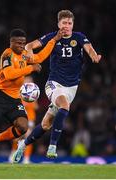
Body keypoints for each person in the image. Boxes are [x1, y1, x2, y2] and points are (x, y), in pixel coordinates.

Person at [0, 28, 62, 170]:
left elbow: (39, 57)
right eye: (18, 43)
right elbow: (9, 74)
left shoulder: (25, 55)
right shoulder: (7, 54)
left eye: (23, 43)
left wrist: (53, 40)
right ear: (11, 42)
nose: (21, 45)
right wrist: (30, 69)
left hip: (14, 98)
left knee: (23, 127)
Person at [11, 10, 101, 163]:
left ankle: (23, 145)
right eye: (64, 23)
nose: (67, 26)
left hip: (72, 87)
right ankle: (52, 146)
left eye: (69, 23)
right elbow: (30, 46)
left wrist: (94, 55)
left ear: (73, 25)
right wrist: (30, 55)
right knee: (64, 106)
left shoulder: (79, 37)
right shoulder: (52, 37)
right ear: (58, 24)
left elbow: (89, 48)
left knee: (45, 125)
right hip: (54, 83)